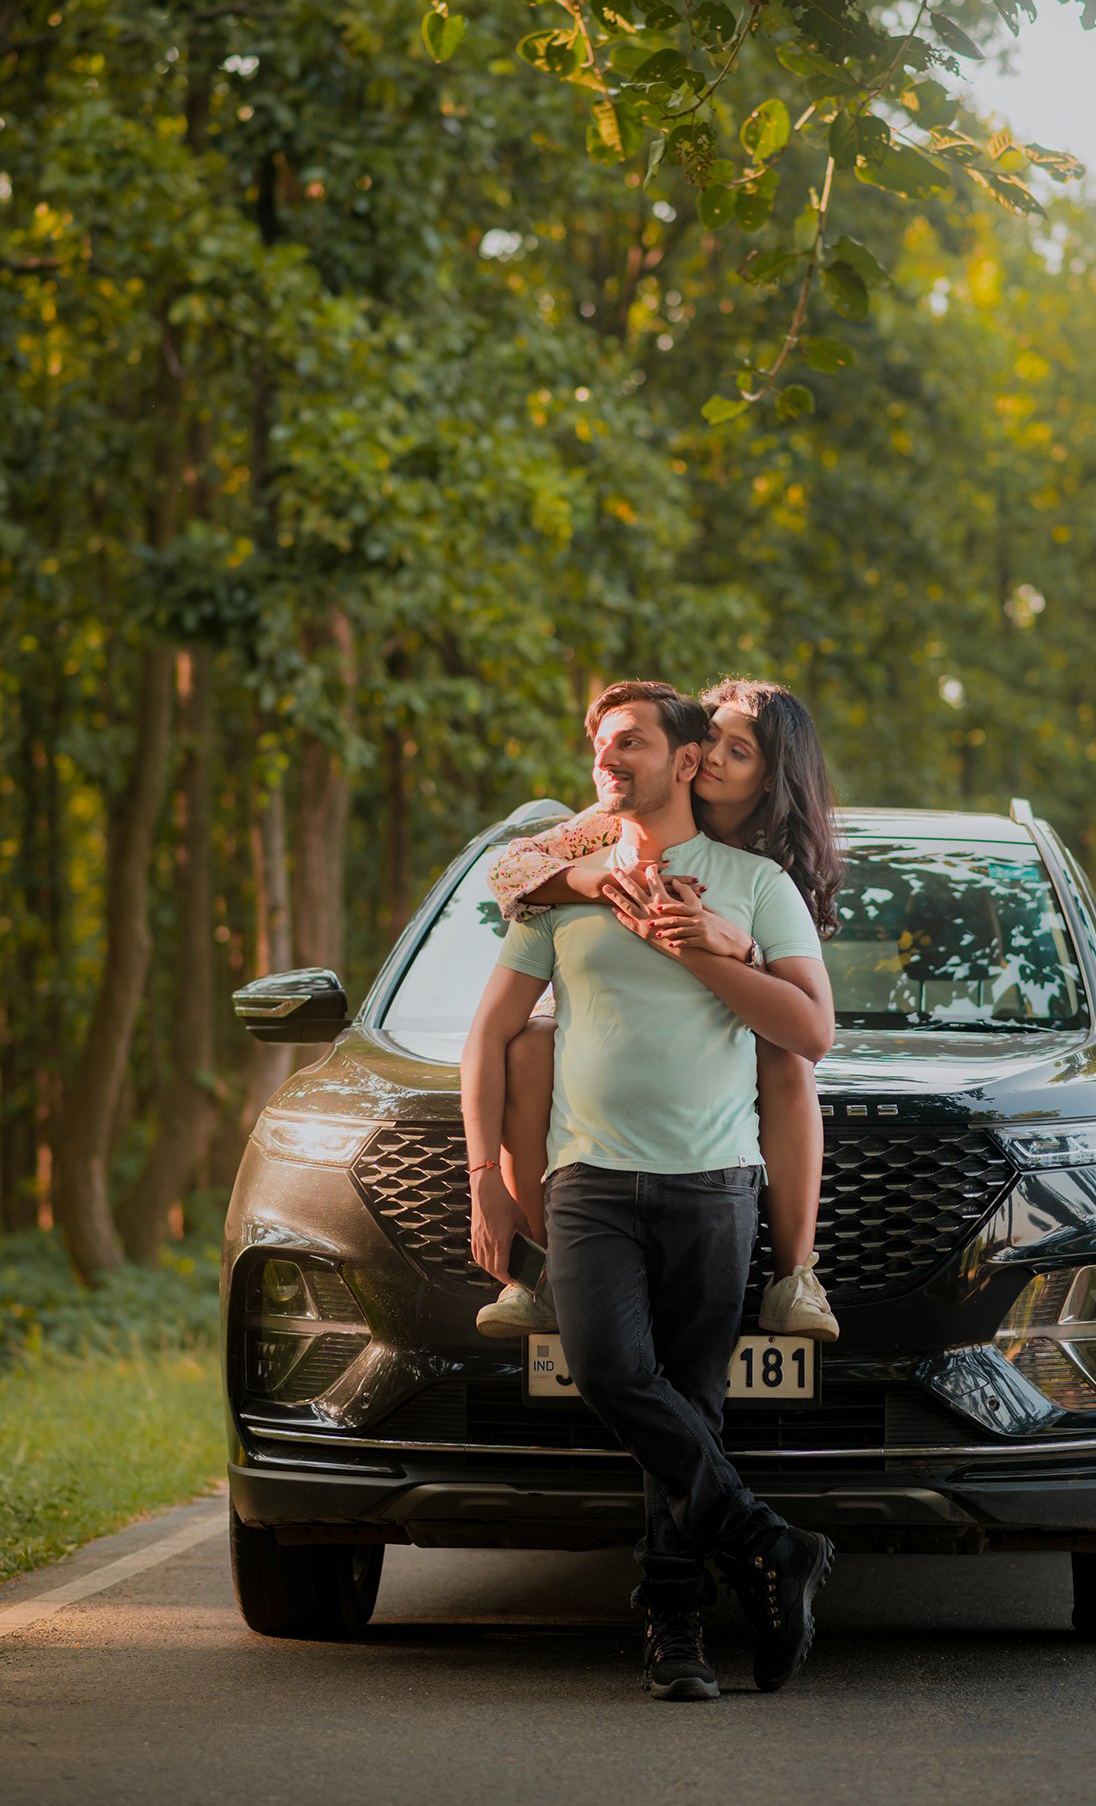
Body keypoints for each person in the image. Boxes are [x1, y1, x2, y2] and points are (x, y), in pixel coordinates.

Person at [461, 681, 836, 1699]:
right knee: (613, 1371)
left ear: (686, 762)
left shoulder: (756, 883)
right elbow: (489, 1029)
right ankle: (771, 1544)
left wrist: (721, 948)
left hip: (715, 1186)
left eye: (634, 742)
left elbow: (807, 1036)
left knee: (692, 1409)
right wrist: (486, 1182)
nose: (608, 757)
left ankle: (678, 1636)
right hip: (587, 1179)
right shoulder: (563, 877)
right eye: (599, 742)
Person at [476, 677, 844, 1345]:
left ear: (771, 779)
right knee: (528, 1043)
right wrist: (593, 881)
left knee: (782, 1051)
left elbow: (804, 1019)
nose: (710, 758)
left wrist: (742, 947)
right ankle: (535, 1275)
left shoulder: (768, 871)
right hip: (598, 1055)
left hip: (722, 1090)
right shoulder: (621, 819)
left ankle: (793, 1276)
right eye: (709, 739)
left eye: (739, 753)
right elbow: (509, 871)